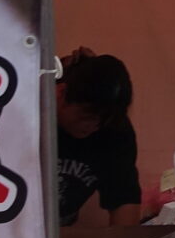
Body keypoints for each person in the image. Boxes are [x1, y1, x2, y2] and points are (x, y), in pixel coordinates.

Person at [56, 49, 142, 226]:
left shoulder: (114, 130)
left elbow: (124, 199)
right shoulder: (27, 116)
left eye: (102, 121)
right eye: (87, 115)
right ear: (61, 93)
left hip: (62, 233)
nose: (93, 126)